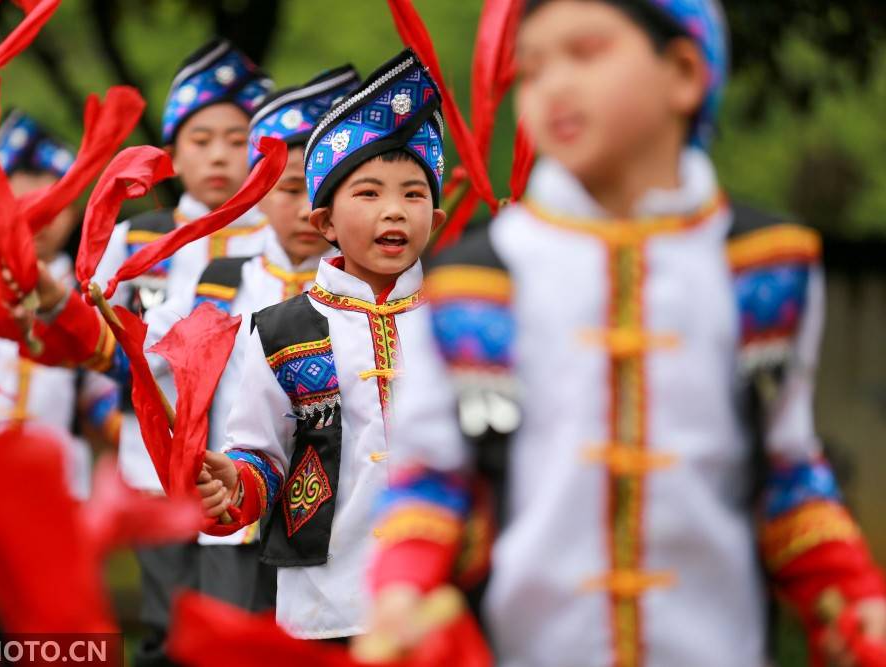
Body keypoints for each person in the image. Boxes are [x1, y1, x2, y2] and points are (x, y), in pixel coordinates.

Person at [364, 2, 886, 666]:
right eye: (532, 68)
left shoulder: (767, 266)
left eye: (585, 52)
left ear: (685, 73)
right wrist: (402, 591)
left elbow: (786, 472)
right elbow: (433, 478)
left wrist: (851, 594)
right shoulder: (474, 280)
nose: (552, 84)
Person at [194, 49, 447, 640]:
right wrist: (237, 485)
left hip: (438, 593)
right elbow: (262, 454)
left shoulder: (456, 316)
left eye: (413, 194)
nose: (394, 210)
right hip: (326, 598)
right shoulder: (281, 329)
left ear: (434, 214)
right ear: (326, 222)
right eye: (368, 194)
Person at [87, 37, 273, 667]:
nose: (220, 154)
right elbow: (95, 339)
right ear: (173, 149)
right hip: (154, 464)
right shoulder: (135, 237)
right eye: (201, 139)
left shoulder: (285, 240)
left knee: (237, 624)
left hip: (244, 465)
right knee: (167, 625)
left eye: (237, 137)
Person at [0, 109, 120, 635]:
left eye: (51, 198)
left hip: (57, 484)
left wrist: (136, 435)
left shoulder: (87, 299)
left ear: (73, 210)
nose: (37, 211)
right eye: (21, 196)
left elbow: (103, 395)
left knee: (53, 617)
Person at [188, 65, 360, 612]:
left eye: (320, 190)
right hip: (236, 507)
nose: (306, 208)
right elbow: (148, 358)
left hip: (334, 520)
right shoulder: (220, 279)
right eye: (288, 188)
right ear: (259, 191)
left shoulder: (360, 289)